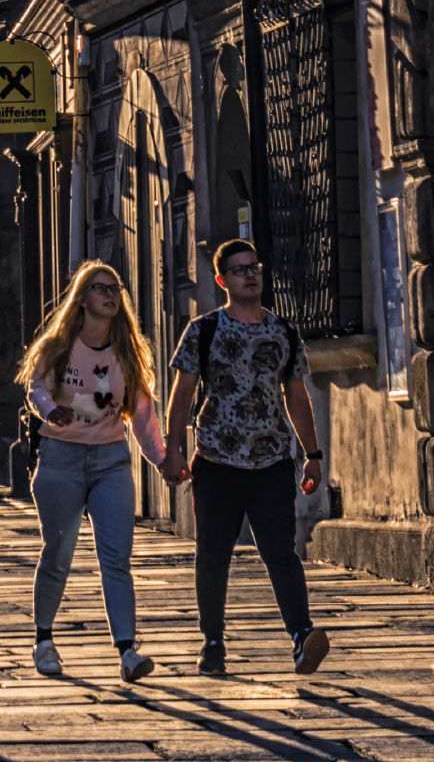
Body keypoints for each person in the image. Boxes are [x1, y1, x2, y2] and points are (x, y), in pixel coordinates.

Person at [163, 238, 329, 678]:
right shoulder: (204, 330)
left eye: (254, 266)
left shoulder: (283, 331)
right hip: (216, 460)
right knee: (213, 553)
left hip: (272, 461)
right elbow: (182, 394)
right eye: (239, 270)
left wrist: (312, 455)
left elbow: (296, 396)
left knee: (281, 551)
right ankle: (212, 643)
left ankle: (301, 636)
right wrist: (173, 449)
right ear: (222, 280)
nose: (250, 274)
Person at [18, 260, 167, 682]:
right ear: (82, 299)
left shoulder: (127, 352)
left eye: (116, 288)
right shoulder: (58, 346)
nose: (111, 295)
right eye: (101, 288)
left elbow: (141, 412)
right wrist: (51, 409)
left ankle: (127, 651)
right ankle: (44, 639)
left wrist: (161, 460)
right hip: (61, 458)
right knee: (58, 555)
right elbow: (37, 389)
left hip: (110, 461)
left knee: (116, 559)